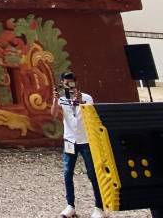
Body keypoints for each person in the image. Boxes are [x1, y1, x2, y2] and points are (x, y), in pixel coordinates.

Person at [50, 71, 108, 218]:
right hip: (70, 140)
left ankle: (99, 207)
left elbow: (92, 115)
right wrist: (55, 100)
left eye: (71, 82)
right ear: (62, 83)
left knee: (92, 174)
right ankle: (70, 206)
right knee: (67, 173)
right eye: (66, 82)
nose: (69, 85)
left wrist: (80, 101)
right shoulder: (62, 99)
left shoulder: (87, 98)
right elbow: (53, 114)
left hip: (86, 140)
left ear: (76, 82)